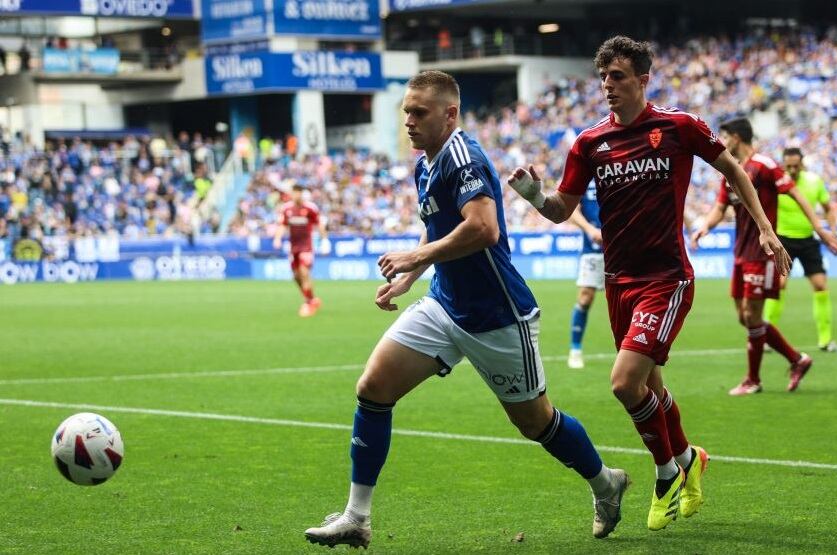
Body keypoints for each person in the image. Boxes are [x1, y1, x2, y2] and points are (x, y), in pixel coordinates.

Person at [304, 70, 630, 549]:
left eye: (419, 112)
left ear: (449, 113)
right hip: (445, 305)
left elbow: (483, 229)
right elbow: (437, 226)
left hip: (497, 315)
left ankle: (607, 483)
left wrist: (417, 258)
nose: (409, 121)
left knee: (535, 422)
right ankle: (357, 517)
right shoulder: (425, 164)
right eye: (406, 112)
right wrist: (411, 276)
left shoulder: (464, 157)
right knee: (373, 387)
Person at [507, 36, 792, 532]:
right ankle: (689, 458)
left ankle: (665, 474)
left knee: (624, 382)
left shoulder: (678, 127)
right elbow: (560, 211)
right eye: (603, 78)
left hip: (667, 278)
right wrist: (534, 194)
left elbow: (734, 171)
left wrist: (767, 231)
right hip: (620, 281)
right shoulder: (589, 142)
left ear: (642, 80)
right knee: (649, 384)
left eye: (617, 77)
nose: (607, 86)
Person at [690, 120, 837, 395]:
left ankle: (753, 379)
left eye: (725, 136)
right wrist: (704, 227)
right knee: (744, 317)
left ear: (736, 137)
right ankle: (797, 359)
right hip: (740, 252)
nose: (722, 140)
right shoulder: (730, 170)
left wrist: (821, 229)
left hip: (763, 251)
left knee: (752, 314)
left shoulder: (764, 165)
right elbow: (720, 206)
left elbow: (796, 194)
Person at [763, 147, 837, 352]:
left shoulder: (814, 181)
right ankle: (767, 337)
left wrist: (833, 232)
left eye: (796, 166)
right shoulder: (776, 183)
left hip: (808, 240)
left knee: (820, 286)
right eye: (788, 166)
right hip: (783, 241)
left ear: (802, 163)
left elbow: (828, 209)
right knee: (778, 286)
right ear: (783, 164)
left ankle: (825, 340)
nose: (792, 170)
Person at [272, 182, 329, 317]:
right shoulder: (287, 209)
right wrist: (277, 238)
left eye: (298, 192)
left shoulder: (310, 208)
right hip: (294, 247)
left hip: (306, 246)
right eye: (294, 192)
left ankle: (308, 303)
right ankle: (312, 299)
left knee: (304, 271)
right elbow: (282, 225)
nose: (296, 194)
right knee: (296, 276)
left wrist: (325, 240)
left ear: (302, 193)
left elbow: (319, 224)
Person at [567, 181, 604, 369]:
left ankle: (633, 350)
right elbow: (571, 210)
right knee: (585, 298)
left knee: (627, 300)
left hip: (623, 248)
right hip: (593, 249)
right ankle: (575, 350)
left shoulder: (620, 168)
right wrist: (590, 230)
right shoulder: (585, 176)